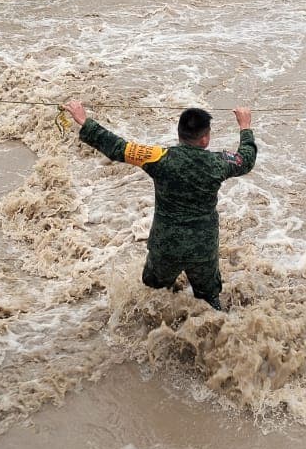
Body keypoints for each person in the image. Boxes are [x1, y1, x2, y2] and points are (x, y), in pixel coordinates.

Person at [63, 100, 256, 311]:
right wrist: (245, 125)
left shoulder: (158, 158)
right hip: (202, 247)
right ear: (205, 139)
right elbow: (245, 159)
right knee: (210, 300)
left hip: (166, 244)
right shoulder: (218, 163)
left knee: (152, 293)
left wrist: (84, 121)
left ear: (179, 133)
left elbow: (117, 147)